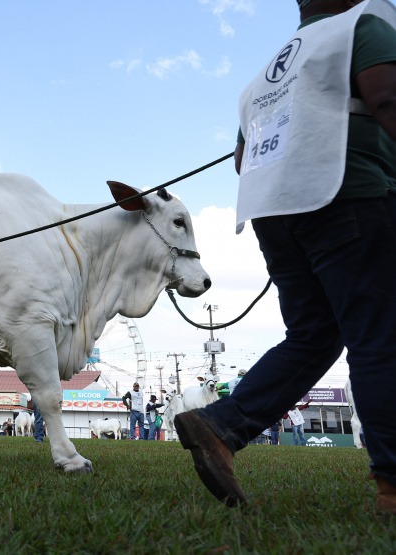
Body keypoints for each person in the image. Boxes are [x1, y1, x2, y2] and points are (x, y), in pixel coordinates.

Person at [175, 0, 396, 513]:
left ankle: (222, 425)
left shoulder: (267, 73)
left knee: (314, 335)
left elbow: (241, 160)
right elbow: (387, 98)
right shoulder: (361, 28)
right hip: (350, 195)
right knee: (379, 333)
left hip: (276, 214)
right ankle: (392, 484)